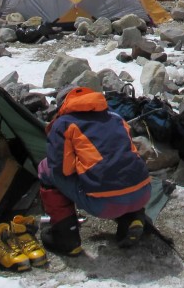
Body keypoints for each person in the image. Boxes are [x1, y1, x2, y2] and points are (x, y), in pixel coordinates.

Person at [38, 86, 152, 255]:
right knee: (121, 169)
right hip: (142, 193)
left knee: (46, 169)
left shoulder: (64, 124)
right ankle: (132, 218)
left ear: (64, 104)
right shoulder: (115, 117)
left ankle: (66, 237)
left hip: (105, 204)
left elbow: (63, 170)